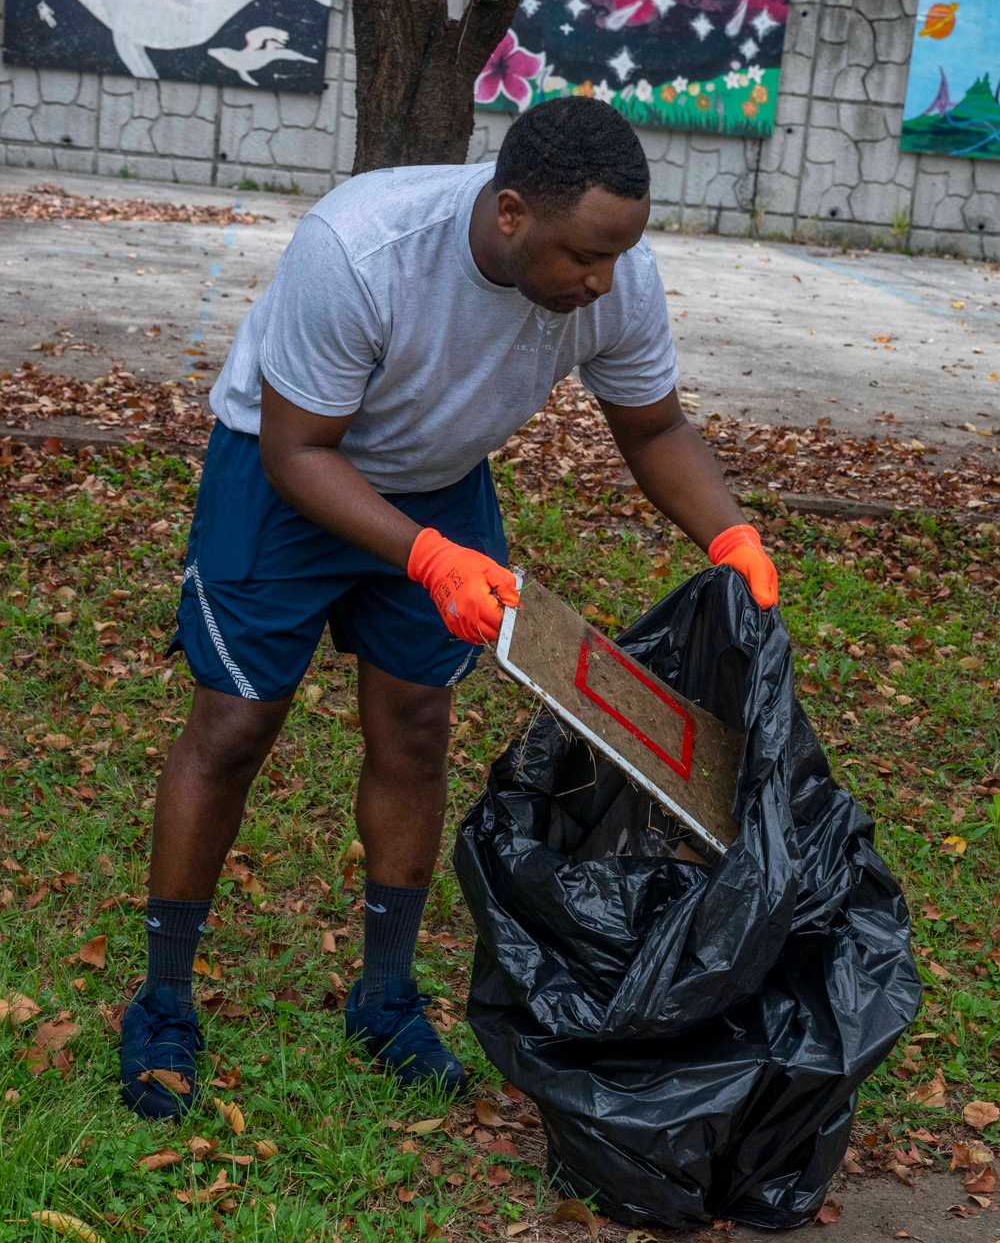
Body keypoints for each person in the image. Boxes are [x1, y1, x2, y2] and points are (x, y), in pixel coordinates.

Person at [120, 98, 778, 1119]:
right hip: (286, 475)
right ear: (510, 212)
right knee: (236, 725)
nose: (602, 281)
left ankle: (384, 996)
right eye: (583, 257)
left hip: (437, 482)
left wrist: (732, 538)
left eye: (618, 257)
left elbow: (652, 429)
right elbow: (300, 451)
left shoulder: (613, 273)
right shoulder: (364, 247)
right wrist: (429, 559)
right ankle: (163, 998)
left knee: (417, 726)